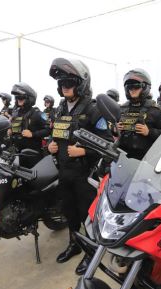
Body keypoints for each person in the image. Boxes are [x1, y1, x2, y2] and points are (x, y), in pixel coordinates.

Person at [47, 57, 112, 275]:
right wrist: (51, 146)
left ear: (81, 83)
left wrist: (84, 150)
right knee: (70, 212)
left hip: (86, 173)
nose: (65, 86)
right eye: (62, 83)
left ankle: (91, 251)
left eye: (70, 82)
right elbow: (53, 135)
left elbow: (108, 142)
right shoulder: (59, 109)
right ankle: (74, 244)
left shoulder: (94, 110)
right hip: (64, 171)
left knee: (87, 214)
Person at [116, 68, 161, 160]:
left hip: (145, 161)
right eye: (129, 87)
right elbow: (112, 131)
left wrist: (149, 132)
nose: (132, 89)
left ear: (145, 87)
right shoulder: (122, 108)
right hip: (122, 159)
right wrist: (115, 129)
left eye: (136, 86)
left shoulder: (156, 110)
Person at [9, 82, 49, 165]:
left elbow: (48, 129)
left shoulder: (38, 113)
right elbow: (16, 128)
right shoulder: (16, 113)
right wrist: (11, 130)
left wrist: (33, 134)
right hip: (19, 153)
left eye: (21, 97)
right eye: (17, 97)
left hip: (33, 154)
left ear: (29, 98)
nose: (19, 99)